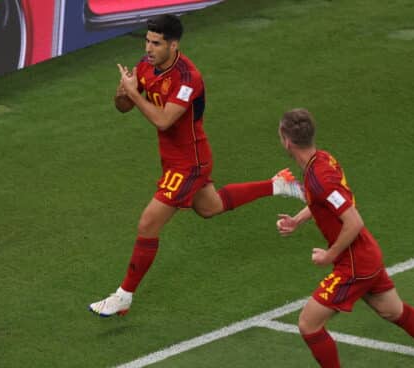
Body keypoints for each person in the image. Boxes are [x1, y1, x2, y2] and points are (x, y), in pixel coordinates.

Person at [88, 15, 305, 317]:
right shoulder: (145, 65)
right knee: (210, 207)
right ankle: (278, 183)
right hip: (172, 159)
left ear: (173, 45)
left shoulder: (188, 79)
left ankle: (124, 295)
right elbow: (123, 107)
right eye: (147, 41)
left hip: (190, 162)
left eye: (156, 43)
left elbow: (164, 121)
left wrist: (134, 93)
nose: (148, 48)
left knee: (148, 223)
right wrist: (122, 93)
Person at [275, 108, 414, 368]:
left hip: (354, 264)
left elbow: (353, 221)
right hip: (366, 254)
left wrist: (329, 255)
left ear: (286, 140)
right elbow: (327, 203)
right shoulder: (322, 161)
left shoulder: (319, 178)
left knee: (308, 324)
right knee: (392, 310)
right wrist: (298, 220)